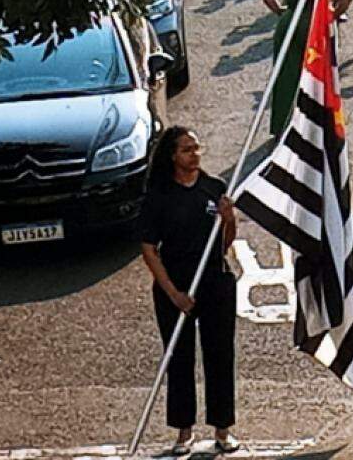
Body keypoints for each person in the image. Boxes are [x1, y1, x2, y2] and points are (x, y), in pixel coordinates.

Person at [140, 126, 241, 456]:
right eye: (186, 150)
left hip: (214, 283)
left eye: (197, 148)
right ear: (172, 155)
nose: (194, 155)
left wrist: (229, 220)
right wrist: (173, 293)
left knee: (220, 356)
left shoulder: (214, 189)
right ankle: (184, 432)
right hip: (176, 287)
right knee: (179, 359)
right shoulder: (159, 196)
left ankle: (223, 430)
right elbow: (149, 249)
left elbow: (224, 245)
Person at [258, 0, 353, 135]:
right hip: (317, 25)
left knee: (286, 76)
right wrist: (332, 15)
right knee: (319, 76)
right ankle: (318, 125)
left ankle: (282, 125)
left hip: (290, 23)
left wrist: (279, 11)